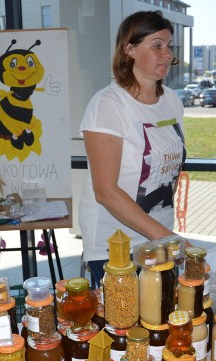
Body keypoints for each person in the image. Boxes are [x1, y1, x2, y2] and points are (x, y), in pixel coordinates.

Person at [79, 10, 187, 287]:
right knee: (125, 326)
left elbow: (170, 166)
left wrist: (165, 234)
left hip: (159, 237)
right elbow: (105, 191)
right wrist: (168, 237)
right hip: (116, 246)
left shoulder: (172, 101)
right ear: (130, 49)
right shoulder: (108, 104)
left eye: (169, 45)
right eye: (157, 45)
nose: (167, 54)